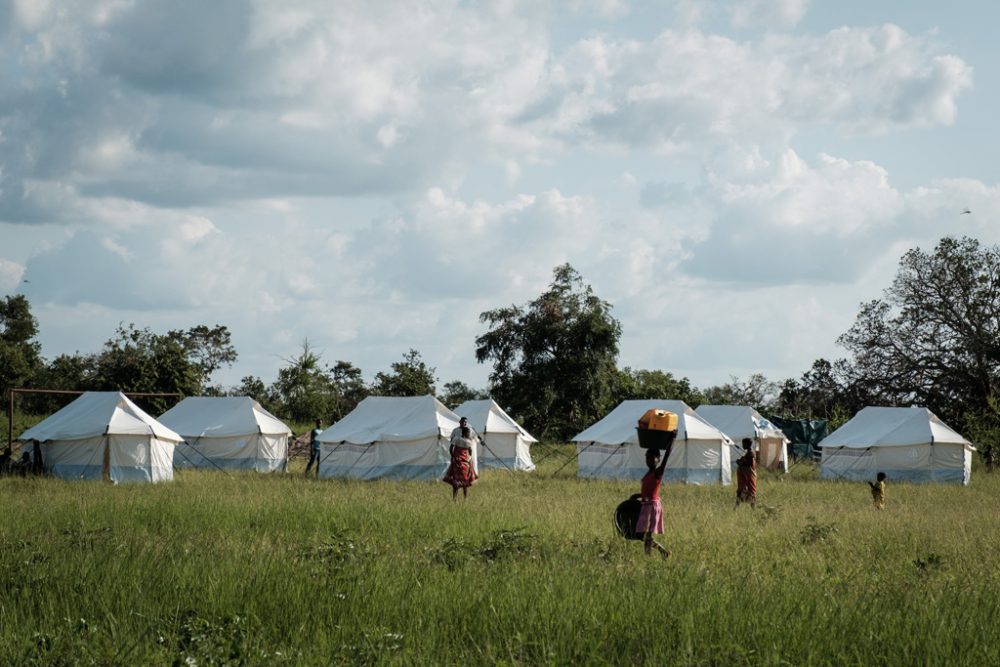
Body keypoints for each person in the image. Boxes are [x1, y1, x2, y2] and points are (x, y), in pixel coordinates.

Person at [637, 448, 670, 557]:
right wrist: (638, 496)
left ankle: (652, 554)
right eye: (647, 457)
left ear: (658, 460)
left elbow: (666, 459)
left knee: (646, 535)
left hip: (652, 506)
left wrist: (672, 442)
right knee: (642, 534)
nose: (649, 460)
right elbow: (648, 488)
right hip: (646, 504)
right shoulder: (649, 473)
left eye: (652, 458)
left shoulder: (658, 472)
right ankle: (662, 552)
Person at [443, 419, 478, 500]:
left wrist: (469, 458)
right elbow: (452, 447)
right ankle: (455, 498)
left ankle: (465, 498)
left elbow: (470, 450)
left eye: (465, 422)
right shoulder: (456, 437)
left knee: (465, 481)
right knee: (457, 480)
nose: (469, 434)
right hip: (458, 460)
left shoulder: (468, 441)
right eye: (468, 433)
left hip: (465, 461)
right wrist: (453, 456)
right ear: (464, 433)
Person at [734, 437, 757, 509]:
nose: (742, 445)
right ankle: (735, 509)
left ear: (747, 445)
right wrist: (740, 462)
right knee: (742, 492)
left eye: (743, 444)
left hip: (747, 478)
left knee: (747, 492)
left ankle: (735, 509)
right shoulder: (749, 453)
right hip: (745, 478)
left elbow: (750, 464)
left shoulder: (750, 454)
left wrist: (740, 463)